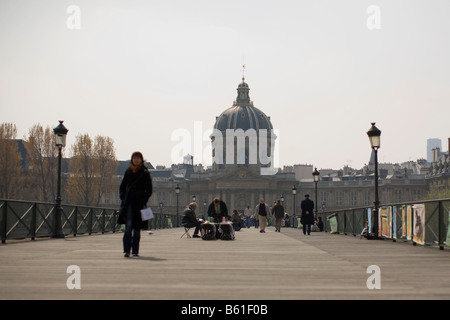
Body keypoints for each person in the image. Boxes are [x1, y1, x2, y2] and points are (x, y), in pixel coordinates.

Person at [118, 152, 153, 257]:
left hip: (139, 203)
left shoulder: (145, 173)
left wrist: (144, 199)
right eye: (134, 158)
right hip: (129, 202)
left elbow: (149, 189)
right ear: (132, 159)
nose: (136, 160)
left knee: (137, 228)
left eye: (138, 158)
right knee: (128, 227)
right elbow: (122, 186)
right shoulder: (128, 172)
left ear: (141, 160)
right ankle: (127, 250)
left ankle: (135, 250)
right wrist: (123, 197)